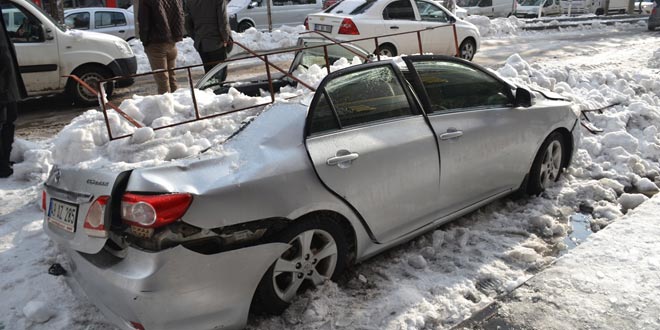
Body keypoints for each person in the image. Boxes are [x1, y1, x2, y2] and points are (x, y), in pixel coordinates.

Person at [138, 0, 185, 94]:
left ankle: (167, 107)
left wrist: (145, 41)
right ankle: (176, 105)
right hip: (172, 43)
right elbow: (181, 15)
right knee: (172, 79)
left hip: (156, 43)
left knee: (162, 82)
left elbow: (143, 22)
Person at [0, 11, 27, 178]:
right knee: (4, 123)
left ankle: (4, 161)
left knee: (10, 119)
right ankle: (2, 165)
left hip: (6, 82)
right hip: (3, 84)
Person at [184, 0, 233, 73]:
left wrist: (197, 38)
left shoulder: (190, 1)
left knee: (209, 75)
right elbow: (223, 22)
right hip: (217, 43)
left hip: (201, 44)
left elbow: (188, 25)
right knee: (220, 75)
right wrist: (226, 39)